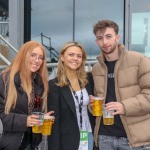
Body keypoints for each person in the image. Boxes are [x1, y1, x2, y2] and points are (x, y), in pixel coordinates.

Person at [90, 19, 150, 150]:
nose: (105, 42)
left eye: (108, 36)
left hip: (133, 140)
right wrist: (92, 105)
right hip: (104, 137)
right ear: (96, 42)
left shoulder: (140, 60)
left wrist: (124, 106)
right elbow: (98, 98)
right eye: (100, 38)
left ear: (117, 37)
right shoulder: (96, 68)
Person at [0, 41, 54, 150]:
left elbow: (33, 112)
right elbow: (1, 114)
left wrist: (43, 118)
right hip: (10, 144)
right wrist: (25, 121)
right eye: (32, 55)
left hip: (32, 143)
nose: (36, 60)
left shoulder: (40, 83)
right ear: (23, 55)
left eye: (40, 57)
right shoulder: (4, 79)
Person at [47, 41, 95, 150]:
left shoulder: (88, 80)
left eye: (79, 56)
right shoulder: (54, 85)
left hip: (87, 133)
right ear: (62, 57)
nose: (75, 58)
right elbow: (55, 122)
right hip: (67, 139)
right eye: (71, 55)